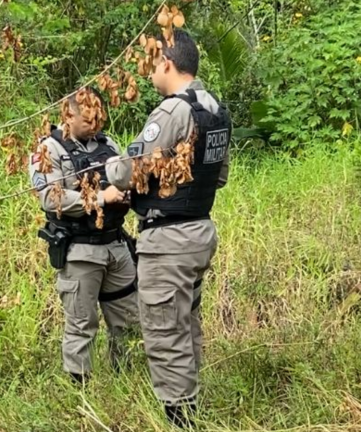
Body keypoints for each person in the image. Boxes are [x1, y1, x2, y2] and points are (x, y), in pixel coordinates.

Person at [106, 30, 231, 428]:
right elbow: (220, 175)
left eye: (152, 65)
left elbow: (129, 169)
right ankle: (191, 404)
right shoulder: (214, 108)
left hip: (169, 240)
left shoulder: (171, 111)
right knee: (186, 321)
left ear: (167, 64)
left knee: (164, 330)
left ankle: (179, 418)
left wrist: (111, 170)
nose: (149, 74)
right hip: (199, 231)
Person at [29, 88, 140, 384]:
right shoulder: (48, 150)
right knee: (81, 325)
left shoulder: (108, 144)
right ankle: (80, 391)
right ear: (68, 115)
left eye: (99, 116)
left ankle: (126, 384)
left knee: (130, 321)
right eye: (88, 117)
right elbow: (50, 199)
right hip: (80, 250)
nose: (96, 123)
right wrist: (102, 198)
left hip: (116, 245)